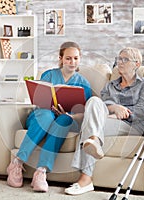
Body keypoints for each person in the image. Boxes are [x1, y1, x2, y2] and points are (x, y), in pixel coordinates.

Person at [65, 47, 144, 195]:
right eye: (119, 59)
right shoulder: (110, 86)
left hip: (133, 125)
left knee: (91, 122)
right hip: (109, 120)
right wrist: (114, 108)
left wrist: (121, 113)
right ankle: (93, 141)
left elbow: (143, 111)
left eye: (125, 59)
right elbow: (102, 106)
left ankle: (86, 179)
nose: (120, 62)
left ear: (137, 64)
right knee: (93, 101)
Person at [6, 41, 92, 192]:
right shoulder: (49, 75)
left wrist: (69, 114)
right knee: (46, 115)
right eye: (68, 58)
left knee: (65, 120)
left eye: (76, 58)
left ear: (80, 59)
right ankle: (17, 163)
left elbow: (85, 112)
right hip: (43, 114)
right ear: (61, 58)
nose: (72, 62)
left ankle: (41, 171)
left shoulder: (83, 83)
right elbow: (38, 101)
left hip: (66, 118)